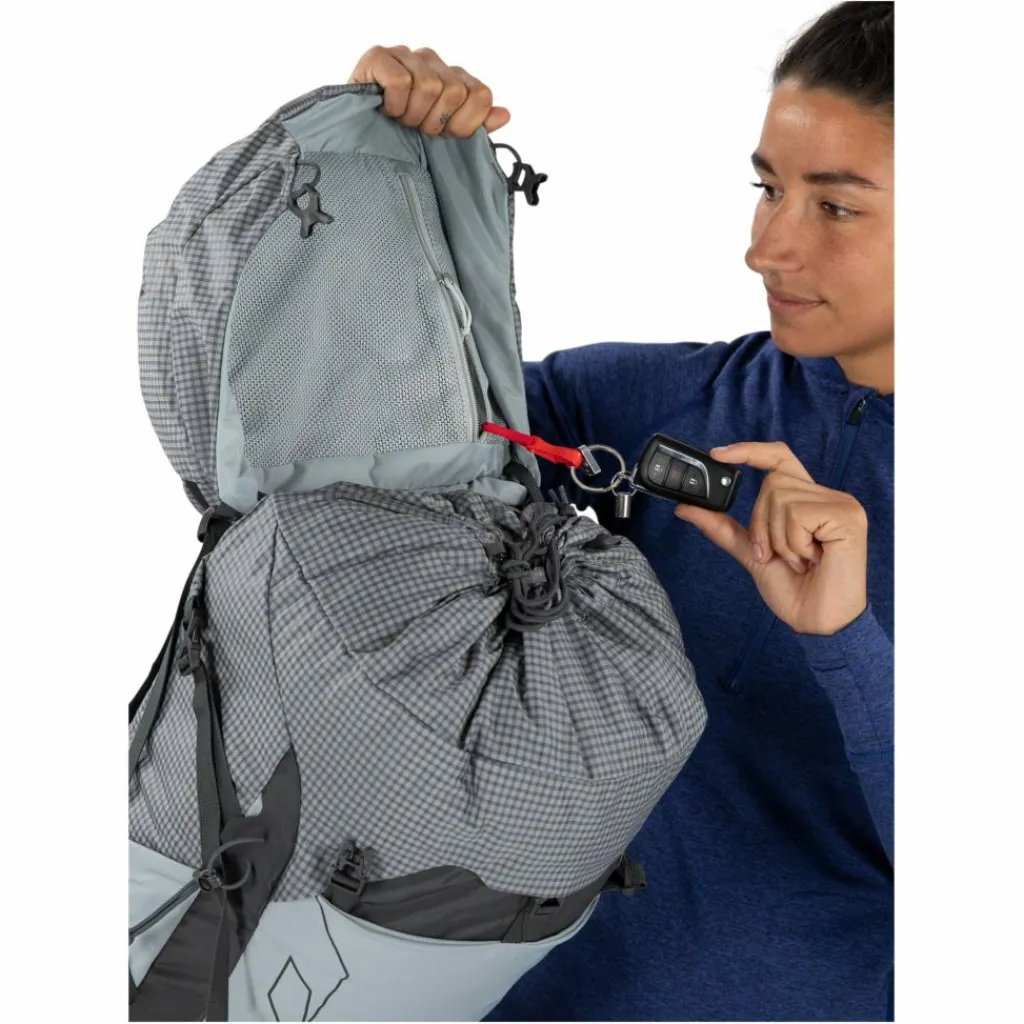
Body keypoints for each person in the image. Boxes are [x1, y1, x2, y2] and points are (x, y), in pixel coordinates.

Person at [348, 2, 894, 1020]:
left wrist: (844, 640)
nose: (767, 249)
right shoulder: (665, 406)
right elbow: (350, 435)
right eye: (768, 188)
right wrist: (378, 168)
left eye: (835, 205)